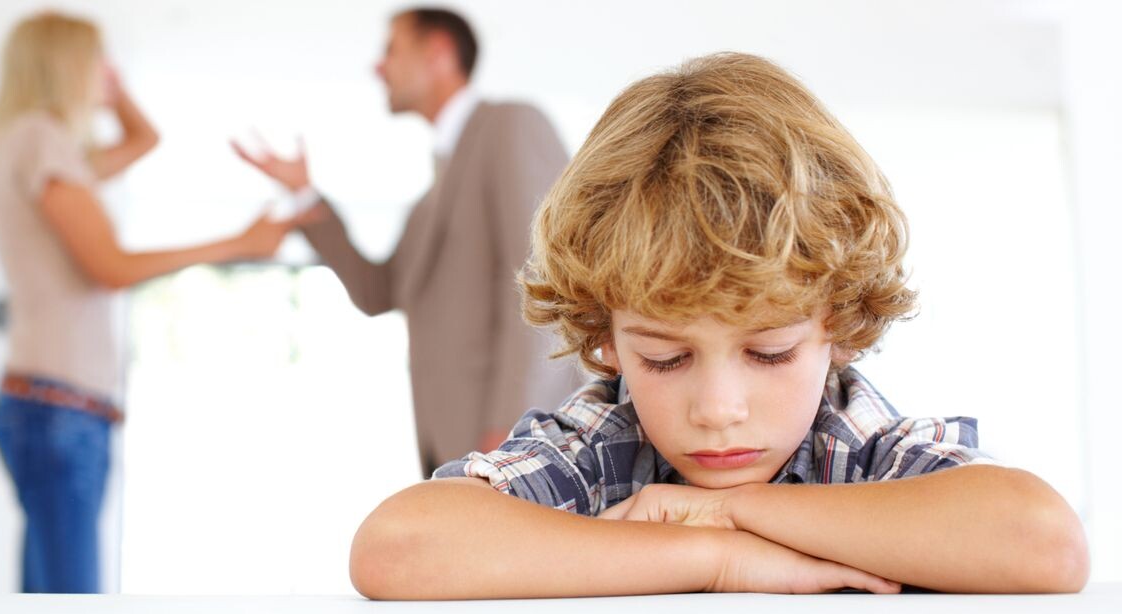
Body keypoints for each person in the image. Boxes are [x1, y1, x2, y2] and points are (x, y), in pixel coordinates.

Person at [347, 52, 1090, 597]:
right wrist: (717, 557)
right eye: (666, 359)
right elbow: (400, 547)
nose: (718, 409)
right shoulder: (605, 442)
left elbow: (1044, 544)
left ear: (838, 324)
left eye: (769, 352)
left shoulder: (856, 443)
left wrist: (730, 509)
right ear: (606, 337)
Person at [0, 11, 310, 593]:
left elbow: (144, 140)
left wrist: (115, 91)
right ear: (66, 65)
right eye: (97, 61)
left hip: (47, 407)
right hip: (59, 411)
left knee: (47, 593)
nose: (106, 73)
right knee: (70, 597)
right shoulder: (41, 140)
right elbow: (110, 268)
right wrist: (239, 243)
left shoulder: (30, 144)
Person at [235, 7, 580, 475]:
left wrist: (515, 430)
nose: (378, 67)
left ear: (438, 52)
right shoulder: (427, 204)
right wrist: (304, 195)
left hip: (509, 446)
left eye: (391, 49)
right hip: (452, 448)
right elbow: (376, 292)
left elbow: (548, 283)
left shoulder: (511, 124)